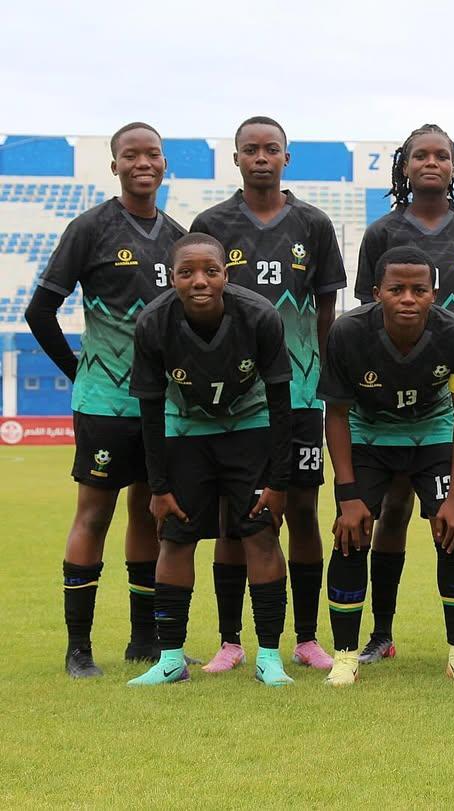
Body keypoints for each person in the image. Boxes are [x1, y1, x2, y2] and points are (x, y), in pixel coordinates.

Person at [24, 122, 185, 678]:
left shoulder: (178, 236)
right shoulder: (90, 228)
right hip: (105, 405)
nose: (143, 163)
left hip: (162, 406)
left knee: (150, 511)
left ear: (164, 164)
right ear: (115, 166)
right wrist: (79, 373)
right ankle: (79, 649)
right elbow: (39, 312)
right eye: (131, 155)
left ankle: (145, 641)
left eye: (152, 154)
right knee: (94, 514)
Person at [189, 116, 346, 673]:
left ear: (286, 158)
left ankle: (306, 638)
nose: (261, 157)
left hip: (299, 396)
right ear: (235, 158)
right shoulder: (211, 223)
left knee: (302, 510)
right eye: (251, 149)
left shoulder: (314, 223)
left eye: (271, 149)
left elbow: (326, 311)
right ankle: (230, 641)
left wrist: (325, 379)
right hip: (234, 401)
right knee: (234, 517)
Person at [352, 124, 454, 664]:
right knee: (392, 508)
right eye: (421, 155)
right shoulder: (381, 232)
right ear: (405, 165)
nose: (431, 162)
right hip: (388, 400)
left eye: (442, 155)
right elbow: (367, 312)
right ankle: (381, 635)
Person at [126, 233, 294, 686]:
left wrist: (278, 482)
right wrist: (159, 487)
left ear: (226, 275)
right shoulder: (152, 322)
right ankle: (170, 659)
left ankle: (269, 657)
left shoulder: (259, 315)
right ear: (171, 278)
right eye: (187, 272)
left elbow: (281, 403)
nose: (199, 281)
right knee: (176, 539)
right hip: (187, 430)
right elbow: (149, 411)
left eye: (210, 271)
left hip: (250, 426)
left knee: (260, 535)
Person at [318, 245, 454, 687]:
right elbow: (336, 415)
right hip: (368, 434)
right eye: (396, 289)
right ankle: (345, 657)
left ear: (434, 294)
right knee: (351, 534)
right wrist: (347, 496)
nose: (408, 298)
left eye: (419, 289)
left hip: (433, 432)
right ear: (376, 293)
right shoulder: (348, 332)